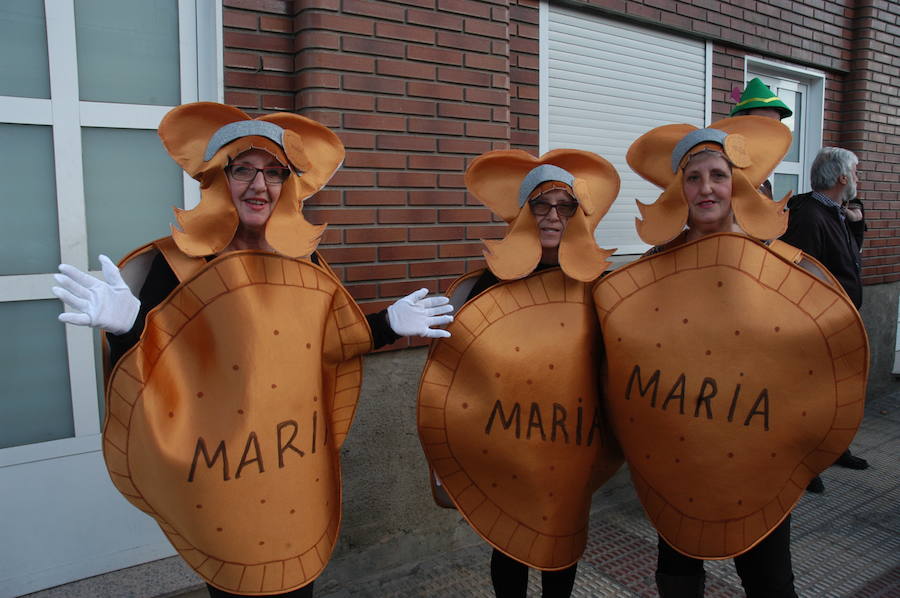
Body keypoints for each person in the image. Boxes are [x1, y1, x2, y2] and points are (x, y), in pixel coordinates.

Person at [52, 102, 453, 597]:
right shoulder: (176, 265)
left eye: (273, 172)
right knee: (236, 575)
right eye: (243, 169)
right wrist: (129, 326)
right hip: (222, 467)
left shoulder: (304, 261)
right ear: (219, 177)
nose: (259, 186)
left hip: (292, 463)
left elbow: (323, 343)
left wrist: (388, 324)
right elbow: (164, 364)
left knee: (294, 575)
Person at [592, 116, 869, 597]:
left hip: (757, 458)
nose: (705, 188)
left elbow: (824, 328)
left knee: (769, 582)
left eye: (718, 175)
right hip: (676, 458)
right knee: (677, 575)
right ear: (680, 189)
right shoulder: (656, 266)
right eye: (693, 177)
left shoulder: (776, 264)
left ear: (735, 183)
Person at [417, 150, 625, 597]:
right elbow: (456, 374)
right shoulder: (486, 288)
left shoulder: (599, 287)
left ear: (578, 215)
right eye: (541, 204)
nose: (553, 216)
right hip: (507, 444)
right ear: (523, 211)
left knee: (560, 545)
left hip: (571, 444)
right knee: (508, 543)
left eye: (565, 206)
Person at [780, 147, 870, 486]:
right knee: (810, 396)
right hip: (818, 326)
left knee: (835, 394)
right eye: (857, 174)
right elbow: (802, 276)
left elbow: (848, 260)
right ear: (843, 178)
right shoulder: (810, 216)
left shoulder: (836, 212)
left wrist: (856, 226)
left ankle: (834, 449)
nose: (858, 180)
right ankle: (805, 462)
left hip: (840, 321)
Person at [730, 77, 793, 198]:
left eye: (776, 128)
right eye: (762, 125)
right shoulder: (720, 172)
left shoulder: (765, 182)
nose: (770, 135)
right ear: (739, 125)